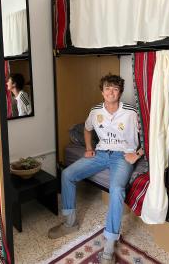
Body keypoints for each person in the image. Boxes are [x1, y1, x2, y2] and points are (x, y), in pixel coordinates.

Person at [48, 74, 144, 264]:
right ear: (102, 91)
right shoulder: (95, 111)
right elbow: (86, 128)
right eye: (107, 88)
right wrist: (89, 148)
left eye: (115, 89)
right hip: (100, 153)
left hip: (122, 157)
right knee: (67, 174)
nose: (111, 92)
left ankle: (108, 248)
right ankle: (70, 223)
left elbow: (149, 134)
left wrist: (138, 154)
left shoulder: (132, 112)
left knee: (117, 189)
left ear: (120, 92)